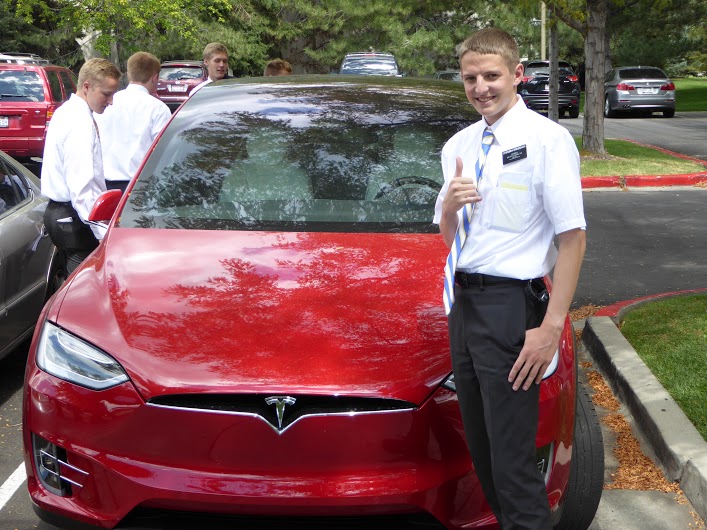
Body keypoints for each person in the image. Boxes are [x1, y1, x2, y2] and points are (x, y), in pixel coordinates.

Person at [433, 28, 586, 529]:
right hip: (465, 305)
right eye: (470, 78)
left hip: (509, 309)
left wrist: (550, 328)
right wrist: (449, 208)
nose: (481, 87)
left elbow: (572, 239)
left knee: (514, 463)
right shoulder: (459, 145)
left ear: (517, 74)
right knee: (484, 456)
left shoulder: (547, 141)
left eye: (491, 76)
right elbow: (451, 238)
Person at [41, 58, 121, 274]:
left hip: (64, 214)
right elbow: (82, 187)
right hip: (76, 218)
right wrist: (104, 234)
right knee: (85, 285)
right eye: (106, 94)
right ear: (87, 86)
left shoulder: (66, 111)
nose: (111, 101)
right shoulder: (80, 122)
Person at [94, 51, 171, 193]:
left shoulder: (105, 102)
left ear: (129, 74)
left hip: (104, 187)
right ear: (155, 78)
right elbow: (163, 152)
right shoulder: (158, 109)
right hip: (139, 188)